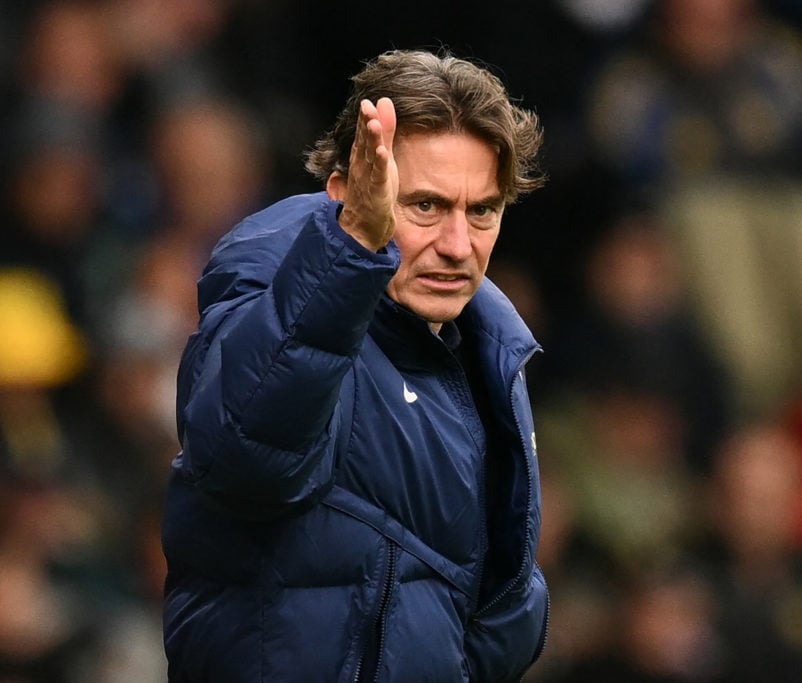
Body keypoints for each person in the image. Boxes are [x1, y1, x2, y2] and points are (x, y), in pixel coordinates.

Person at [161, 49, 549, 682]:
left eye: (482, 210)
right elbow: (244, 459)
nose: (457, 246)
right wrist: (351, 248)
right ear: (346, 190)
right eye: (424, 205)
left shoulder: (487, 351)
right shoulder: (266, 287)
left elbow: (494, 603)